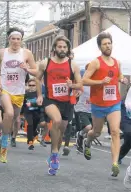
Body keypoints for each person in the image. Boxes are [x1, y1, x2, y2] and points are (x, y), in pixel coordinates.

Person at [82, 32, 129, 177]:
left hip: (114, 102)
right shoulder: (95, 62)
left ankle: (114, 163)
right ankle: (87, 141)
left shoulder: (117, 62)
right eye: (104, 44)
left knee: (115, 131)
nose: (108, 46)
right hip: (98, 104)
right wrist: (100, 82)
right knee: (96, 131)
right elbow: (84, 80)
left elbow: (118, 75)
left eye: (109, 43)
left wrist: (122, 79)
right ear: (100, 47)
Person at [36, 35, 82, 175]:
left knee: (61, 131)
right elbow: (37, 79)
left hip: (67, 101)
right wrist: (39, 95)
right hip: (51, 100)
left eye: (64, 47)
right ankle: (55, 155)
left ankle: (52, 156)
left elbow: (80, 84)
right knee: (55, 121)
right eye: (59, 46)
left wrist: (73, 85)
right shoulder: (46, 63)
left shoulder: (73, 65)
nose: (62, 49)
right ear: (54, 48)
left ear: (68, 49)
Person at [0, 27, 37, 163]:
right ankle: (5, 143)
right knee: (9, 114)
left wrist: (27, 69)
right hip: (5, 89)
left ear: (21, 40)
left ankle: (3, 137)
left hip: (19, 91)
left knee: (13, 120)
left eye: (18, 39)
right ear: (9, 39)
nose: (15, 41)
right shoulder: (1, 53)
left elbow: (36, 71)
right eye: (13, 38)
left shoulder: (27, 53)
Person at [74, 65, 92, 154]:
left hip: (93, 110)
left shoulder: (97, 83)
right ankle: (80, 134)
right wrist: (78, 93)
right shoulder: (82, 82)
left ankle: (82, 138)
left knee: (94, 131)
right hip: (82, 109)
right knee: (89, 127)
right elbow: (78, 90)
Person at [23, 78, 41, 150]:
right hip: (28, 112)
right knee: (30, 124)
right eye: (29, 85)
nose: (31, 87)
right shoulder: (25, 94)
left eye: (33, 85)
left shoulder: (38, 94)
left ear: (36, 86)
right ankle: (30, 142)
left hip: (37, 112)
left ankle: (35, 134)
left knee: (34, 125)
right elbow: (22, 103)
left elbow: (41, 104)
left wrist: (33, 104)